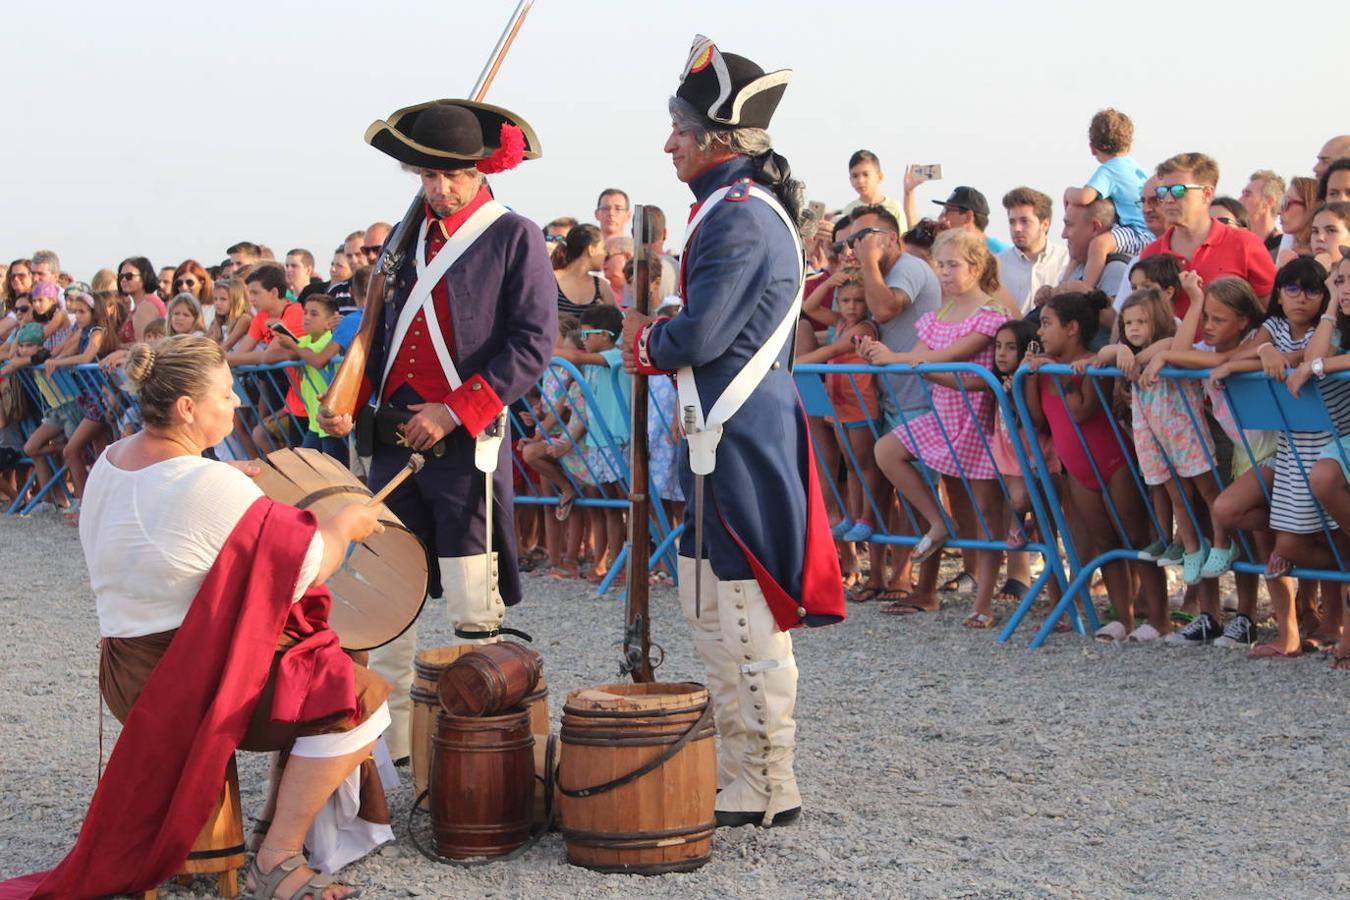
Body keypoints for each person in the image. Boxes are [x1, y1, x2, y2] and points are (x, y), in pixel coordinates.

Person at [0, 335, 389, 900]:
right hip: (188, 687)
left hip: (125, 676)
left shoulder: (111, 460)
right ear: (186, 407)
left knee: (314, 659)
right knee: (356, 693)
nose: (236, 405)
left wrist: (229, 481)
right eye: (227, 394)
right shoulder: (209, 482)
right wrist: (343, 527)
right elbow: (309, 566)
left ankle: (263, 826)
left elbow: (175, 523)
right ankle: (276, 858)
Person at [622, 34, 845, 828]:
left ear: (716, 140)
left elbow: (701, 337)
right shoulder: (731, 211)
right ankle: (744, 770)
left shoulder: (740, 219)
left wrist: (645, 338)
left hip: (740, 435)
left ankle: (770, 781)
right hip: (723, 432)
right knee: (710, 605)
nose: (669, 143)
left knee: (745, 611)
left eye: (679, 130)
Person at [318, 97, 556, 764]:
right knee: (386, 597)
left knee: (472, 606)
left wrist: (454, 409)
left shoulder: (513, 235)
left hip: (464, 444)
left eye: (451, 175)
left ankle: (482, 756)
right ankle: (389, 753)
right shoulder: (403, 238)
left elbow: (534, 343)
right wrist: (353, 396)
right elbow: (380, 334)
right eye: (427, 176)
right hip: (391, 435)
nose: (440, 188)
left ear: (479, 171)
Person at [860, 228, 1009, 627]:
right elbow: (926, 359)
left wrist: (897, 358)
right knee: (887, 451)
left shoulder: (991, 314)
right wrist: (890, 356)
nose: (943, 272)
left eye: (952, 265)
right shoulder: (940, 313)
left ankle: (983, 602)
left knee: (988, 513)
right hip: (943, 414)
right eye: (939, 265)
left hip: (978, 419)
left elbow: (948, 360)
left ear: (975, 267)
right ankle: (938, 520)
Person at [1024, 291, 1170, 642]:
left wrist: (1056, 375)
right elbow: (1035, 418)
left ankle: (1159, 618)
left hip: (1112, 461)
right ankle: (1124, 617)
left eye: (1047, 324)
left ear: (1072, 328)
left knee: (1137, 538)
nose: (1041, 332)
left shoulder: (1094, 363)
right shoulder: (1047, 368)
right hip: (1075, 468)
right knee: (1103, 541)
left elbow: (1082, 409)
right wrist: (1030, 375)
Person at [1137, 153, 1276, 316]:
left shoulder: (1245, 244)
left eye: (1178, 190)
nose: (1168, 199)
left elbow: (1273, 315)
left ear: (1207, 194)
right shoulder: (1151, 253)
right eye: (1163, 191)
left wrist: (1249, 343)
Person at [1063, 109, 1153, 291]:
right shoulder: (1133, 167)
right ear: (1129, 145)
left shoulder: (1111, 169)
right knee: (1083, 250)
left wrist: (1068, 192)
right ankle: (1064, 283)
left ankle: (1086, 286)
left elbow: (1085, 197)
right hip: (1144, 231)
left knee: (1099, 243)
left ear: (1092, 148)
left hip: (1140, 232)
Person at [275, 294, 347, 465]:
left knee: (334, 471)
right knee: (305, 467)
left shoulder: (329, 340)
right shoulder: (305, 340)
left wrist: (294, 347)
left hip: (331, 419)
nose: (306, 317)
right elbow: (297, 353)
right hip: (315, 421)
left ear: (329, 322)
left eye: (314, 314)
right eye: (305, 312)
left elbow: (316, 359)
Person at [998, 186, 1070, 313]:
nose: (1017, 228)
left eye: (1024, 221)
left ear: (1045, 224)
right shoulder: (996, 265)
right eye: (1012, 222)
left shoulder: (1066, 261)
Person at [553, 223, 616, 317]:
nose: (605, 254)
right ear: (591, 249)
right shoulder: (551, 280)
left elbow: (616, 321)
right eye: (603, 248)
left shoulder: (601, 286)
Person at [840, 149, 907, 231]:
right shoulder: (849, 210)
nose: (860, 180)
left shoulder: (894, 208)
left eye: (866, 174)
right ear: (850, 180)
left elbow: (902, 240)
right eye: (855, 176)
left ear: (880, 177)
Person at [933, 186, 1009, 254]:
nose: (940, 217)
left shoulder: (1002, 254)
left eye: (948, 210)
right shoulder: (950, 253)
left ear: (968, 216)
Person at [117, 256, 166, 344]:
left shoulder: (146, 306)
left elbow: (143, 346)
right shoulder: (141, 304)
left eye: (129, 276)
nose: (123, 280)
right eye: (121, 277)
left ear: (144, 277)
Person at [1240, 169, 1285, 260]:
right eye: (1242, 194)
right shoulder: (1237, 244)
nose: (1239, 200)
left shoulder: (1284, 249)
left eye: (1247, 195)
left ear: (1268, 202)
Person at [1276, 176, 1319, 264]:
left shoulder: (1320, 259)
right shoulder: (1284, 249)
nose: (1279, 211)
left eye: (1286, 203)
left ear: (1310, 205)